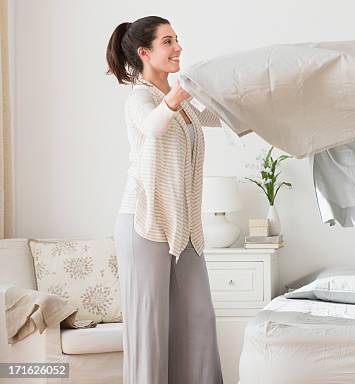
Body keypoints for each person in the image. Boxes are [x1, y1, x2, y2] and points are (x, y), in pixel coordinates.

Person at [106, 15, 223, 384]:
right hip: (144, 224)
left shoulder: (181, 102)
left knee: (199, 318)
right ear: (145, 52)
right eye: (168, 42)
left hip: (185, 228)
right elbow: (154, 125)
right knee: (149, 328)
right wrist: (178, 93)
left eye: (177, 39)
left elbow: (218, 119)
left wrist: (235, 91)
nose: (178, 47)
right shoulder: (140, 98)